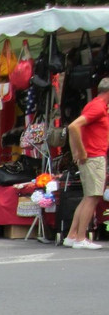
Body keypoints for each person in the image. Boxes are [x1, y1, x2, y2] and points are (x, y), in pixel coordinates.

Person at [64, 77, 109, 249]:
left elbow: (75, 127)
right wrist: (80, 151)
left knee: (89, 197)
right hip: (94, 156)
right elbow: (74, 126)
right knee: (93, 197)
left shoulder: (96, 105)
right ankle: (81, 237)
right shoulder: (97, 107)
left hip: (91, 156)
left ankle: (72, 235)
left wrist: (77, 151)